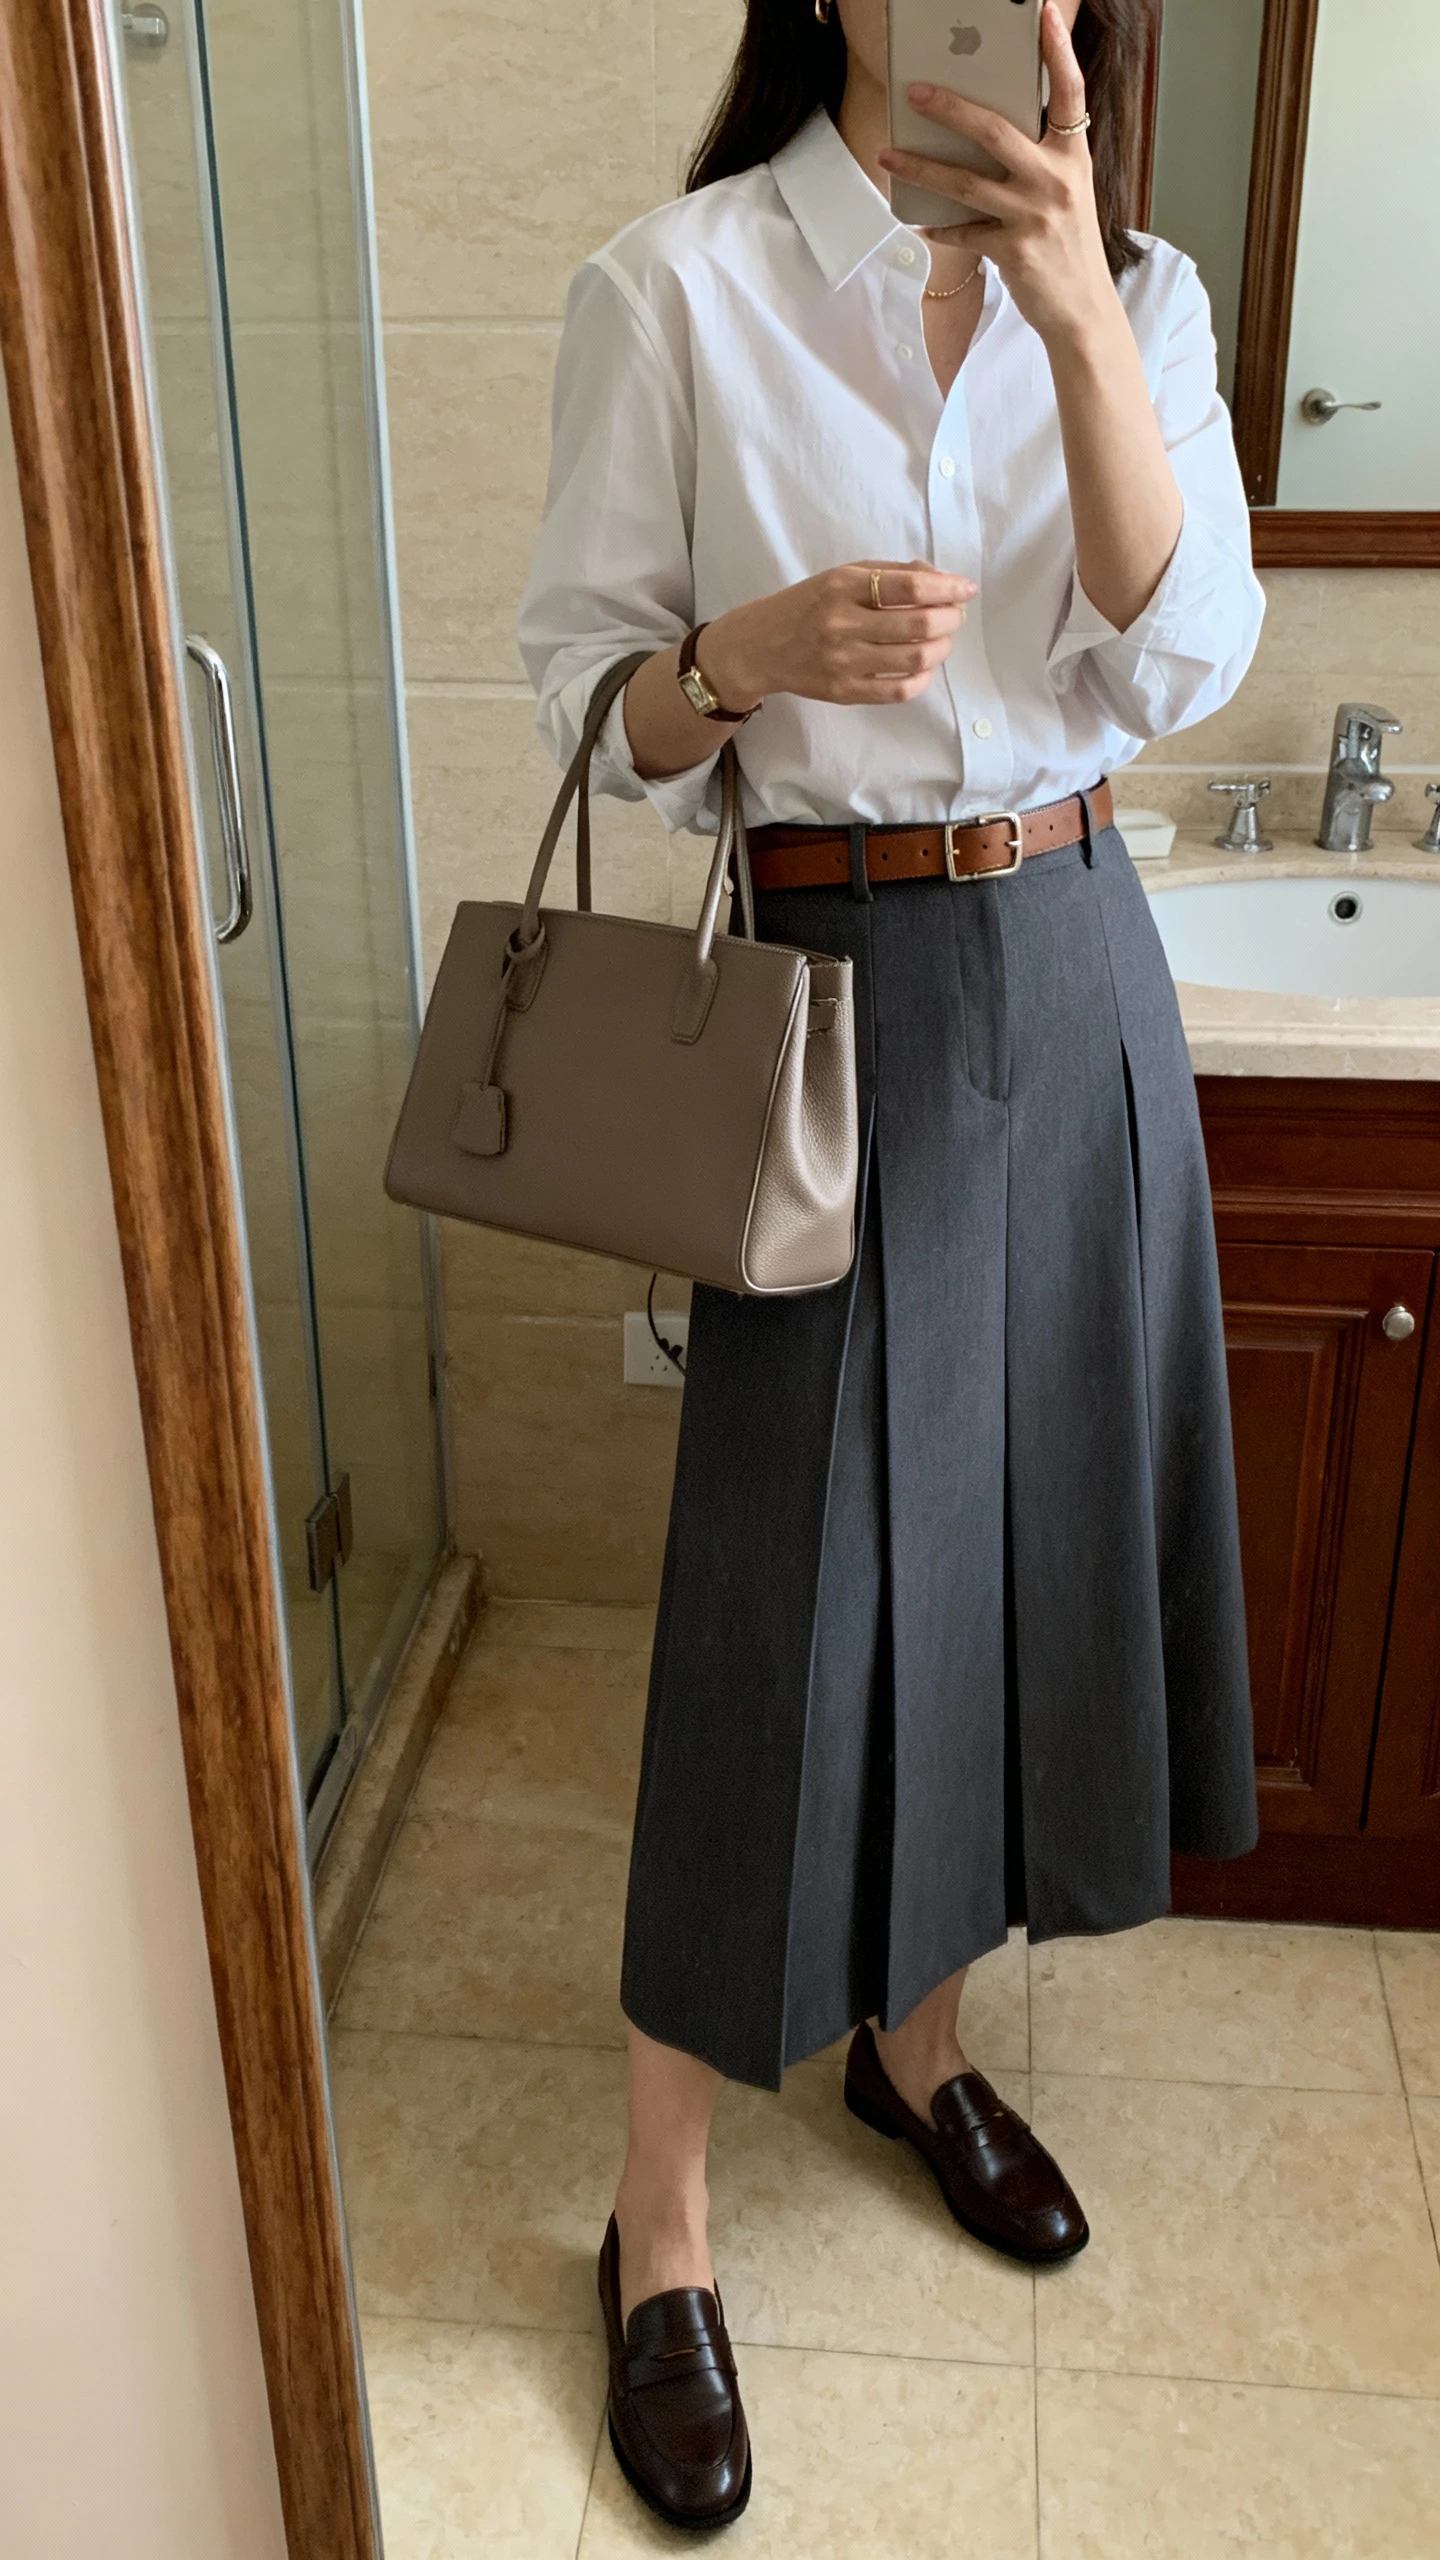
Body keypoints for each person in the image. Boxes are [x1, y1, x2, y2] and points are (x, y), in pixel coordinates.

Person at [519, 0, 1262, 2527]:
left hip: (1080, 964)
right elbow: (586, 705)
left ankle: (913, 2045)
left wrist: (1076, 313)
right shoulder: (681, 287)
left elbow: (1182, 658)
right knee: (776, 1608)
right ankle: (659, 2215)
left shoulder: (1137, 294)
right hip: (827, 991)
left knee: (1023, 1562)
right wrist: (740, 658)